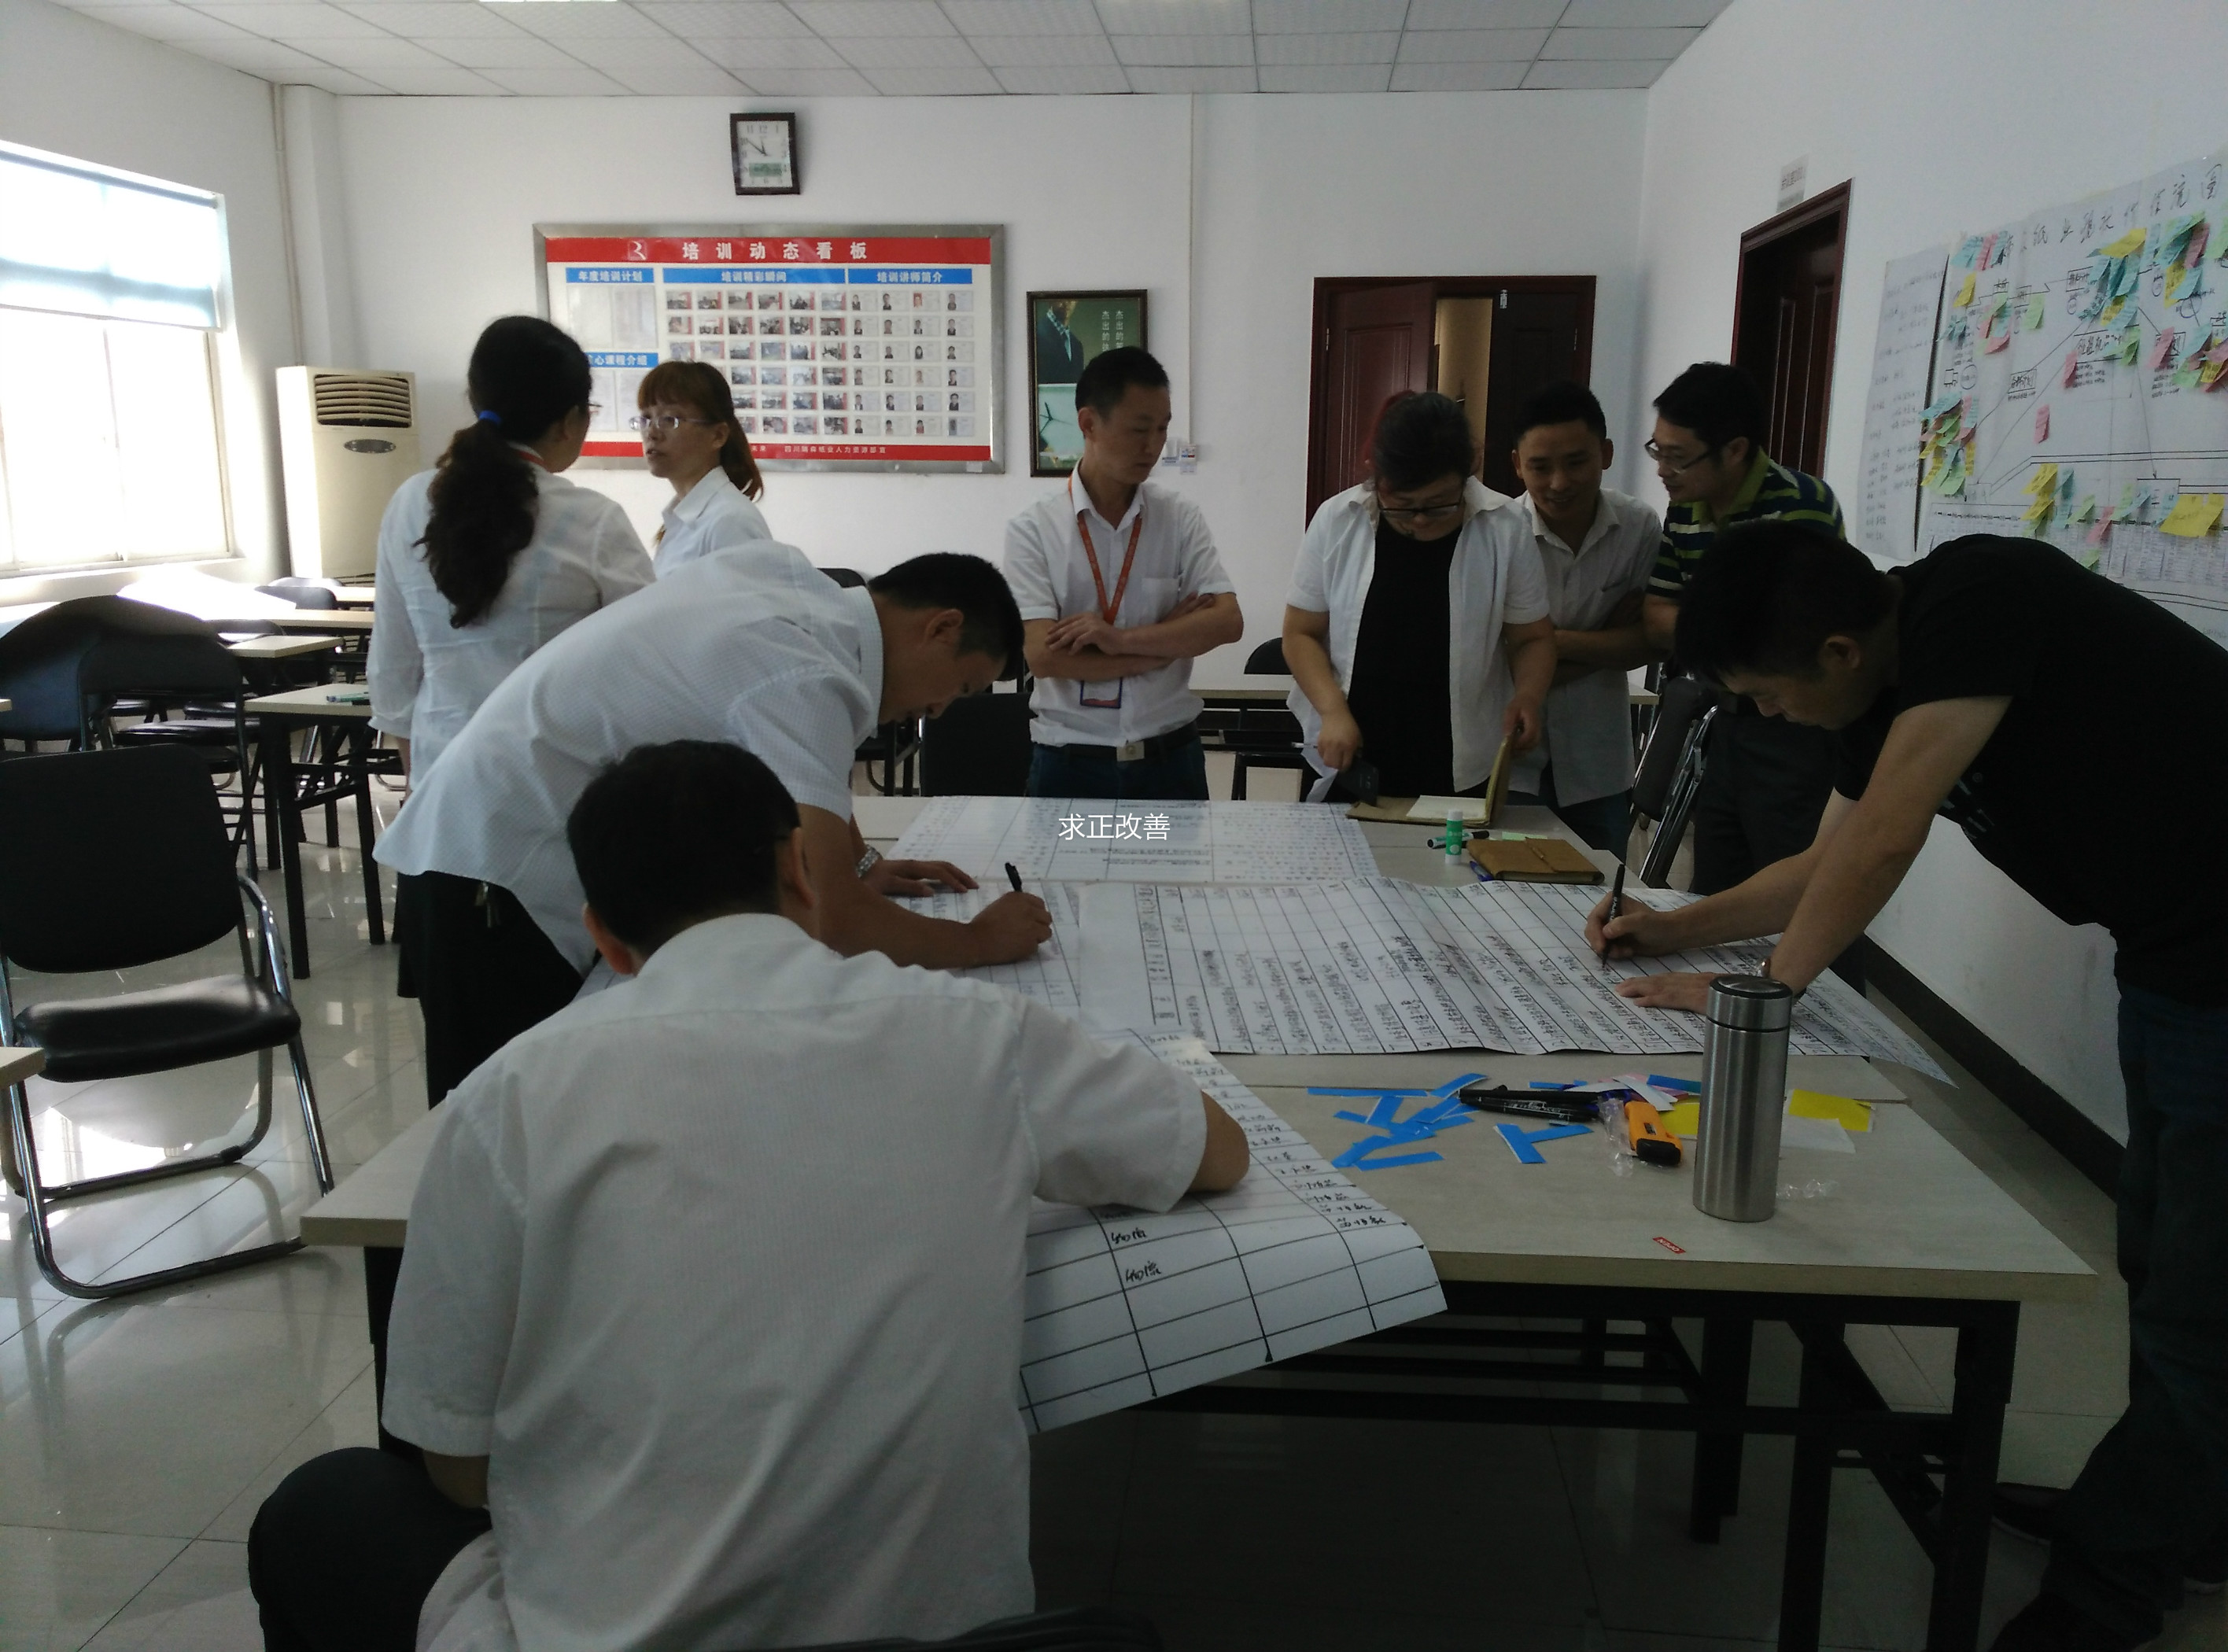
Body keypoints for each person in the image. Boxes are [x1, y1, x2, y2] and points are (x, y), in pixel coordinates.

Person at [249, 740, 1249, 1652]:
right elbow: (1215, 1151)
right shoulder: (976, 1032)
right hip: (950, 1638)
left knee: (325, 1505)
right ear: (801, 871)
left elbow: (456, 1462)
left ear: (605, 937)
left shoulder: (511, 1093)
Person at [1588, 524, 2228, 1652]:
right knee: (2160, 1252)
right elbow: (1822, 862)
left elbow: (1885, 840)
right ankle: (2188, 1520)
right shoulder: (1877, 689)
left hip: (2215, 956)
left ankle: (2111, 1588)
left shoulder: (1979, 595)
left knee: (2203, 1300)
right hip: (2176, 952)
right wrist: (1671, 929)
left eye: (1767, 697)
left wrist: (1762, 999)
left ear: (1837, 652)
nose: (1768, 718)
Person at [374, 546, 1049, 1105]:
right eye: (959, 688)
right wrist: (977, 941)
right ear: (941, 627)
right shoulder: (806, 673)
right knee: (499, 1118)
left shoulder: (792, 583)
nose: (938, 709)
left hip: (480, 838)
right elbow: (834, 916)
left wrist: (863, 864)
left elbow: (809, 776)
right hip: (489, 878)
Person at [368, 316, 651, 781]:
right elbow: (644, 668)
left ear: (476, 398)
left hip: (441, 771)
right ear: (571, 421)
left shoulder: (410, 502)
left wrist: (422, 790)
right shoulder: (594, 520)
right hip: (553, 780)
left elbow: (391, 670)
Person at [1640, 363, 1848, 903]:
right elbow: (1657, 615)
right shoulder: (1684, 508)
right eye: (1658, 450)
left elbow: (1789, 637)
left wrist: (1707, 631)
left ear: (1734, 450)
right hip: (1723, 721)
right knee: (1716, 887)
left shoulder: (1802, 504)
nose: (1663, 470)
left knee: (1795, 891)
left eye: (1677, 456)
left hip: (1792, 728)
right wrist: (1729, 631)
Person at [1283, 390, 1555, 800]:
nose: (1421, 520)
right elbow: (1300, 632)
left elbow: (1532, 637)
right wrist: (1332, 710)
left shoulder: (1505, 527)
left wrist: (1528, 697)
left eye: (1440, 503)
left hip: (1460, 757)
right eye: (1403, 505)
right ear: (1377, 479)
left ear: (1468, 473)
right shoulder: (1338, 520)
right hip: (1349, 749)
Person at [1004, 347, 1241, 801]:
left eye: (1163, 428)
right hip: (1071, 763)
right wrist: (1162, 647)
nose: (1153, 446)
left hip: (1169, 761)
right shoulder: (1033, 529)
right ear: (1089, 424)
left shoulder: (1179, 518)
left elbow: (1227, 622)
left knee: (1171, 857)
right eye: (1138, 429)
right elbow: (1044, 658)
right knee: (1069, 857)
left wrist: (1118, 640)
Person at [1502, 380, 1662, 854]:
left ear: (1605, 454)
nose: (1559, 482)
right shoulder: (1499, 534)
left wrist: (1542, 644)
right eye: (1540, 467)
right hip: (1513, 761)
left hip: (1599, 764)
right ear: (1517, 465)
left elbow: (1649, 643)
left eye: (1576, 462)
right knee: (1506, 886)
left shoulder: (1638, 527)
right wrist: (1607, 639)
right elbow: (1493, 660)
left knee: (1600, 889)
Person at [632, 358, 774, 576]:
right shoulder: (680, 517)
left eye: (669, 419)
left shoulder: (731, 521)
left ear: (717, 436)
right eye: (646, 418)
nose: (651, 433)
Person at [1035, 297, 1087, 385]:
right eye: (1062, 297)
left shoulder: (1076, 345)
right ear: (1050, 299)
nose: (1067, 303)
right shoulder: (1037, 335)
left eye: (1072, 298)